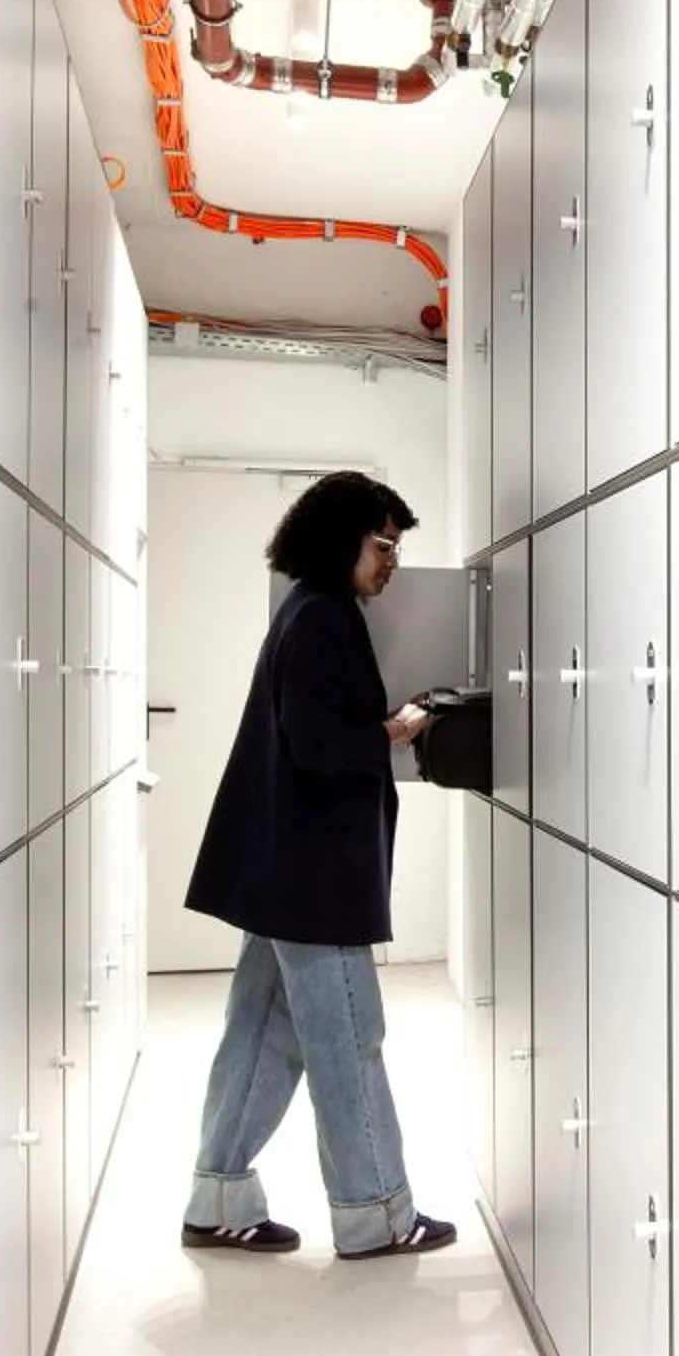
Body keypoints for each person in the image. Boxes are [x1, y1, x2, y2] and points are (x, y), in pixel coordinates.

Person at [179, 471, 458, 1260]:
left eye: (396, 547)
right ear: (341, 540)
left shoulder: (307, 609)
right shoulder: (323, 618)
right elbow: (316, 744)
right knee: (349, 1042)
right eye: (383, 545)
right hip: (315, 880)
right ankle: (378, 1215)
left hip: (282, 877)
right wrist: (394, 731)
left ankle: (217, 1200)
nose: (393, 562)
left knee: (260, 1035)